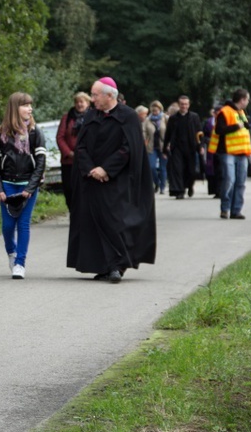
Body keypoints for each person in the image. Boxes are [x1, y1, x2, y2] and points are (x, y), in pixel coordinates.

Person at [66, 77, 156, 283]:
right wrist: (91, 169)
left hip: (118, 181)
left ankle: (117, 266)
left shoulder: (128, 116)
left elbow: (129, 148)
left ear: (109, 95)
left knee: (116, 223)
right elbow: (80, 147)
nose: (92, 99)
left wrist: (106, 169)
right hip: (92, 180)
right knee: (93, 223)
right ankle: (102, 266)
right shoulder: (90, 115)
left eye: (95, 95)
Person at [0, 92, 46, 280]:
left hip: (27, 186)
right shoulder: (1, 132)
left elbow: (40, 163)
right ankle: (11, 253)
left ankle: (20, 263)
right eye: (25, 105)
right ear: (15, 108)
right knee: (7, 227)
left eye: (31, 105)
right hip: (7, 185)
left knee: (23, 224)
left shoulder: (35, 132)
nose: (30, 108)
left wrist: (30, 188)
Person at [208, 88, 251, 219]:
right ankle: (225, 208)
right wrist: (236, 126)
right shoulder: (224, 112)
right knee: (230, 180)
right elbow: (219, 130)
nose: (248, 102)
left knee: (241, 182)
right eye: (247, 99)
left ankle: (236, 210)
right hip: (227, 151)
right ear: (242, 100)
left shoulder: (241, 112)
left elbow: (245, 127)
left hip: (242, 152)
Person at [56, 92, 91, 210]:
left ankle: (85, 213)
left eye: (82, 102)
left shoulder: (93, 116)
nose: (79, 104)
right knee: (69, 188)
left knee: (85, 189)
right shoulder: (67, 118)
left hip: (87, 160)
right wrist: (69, 153)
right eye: (77, 102)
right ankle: (73, 211)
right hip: (69, 161)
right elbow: (60, 137)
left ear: (88, 103)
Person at [164, 96, 201, 199]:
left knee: (191, 171)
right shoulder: (173, 118)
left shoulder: (194, 117)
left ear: (188, 105)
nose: (184, 106)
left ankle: (189, 185)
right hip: (177, 148)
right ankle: (179, 191)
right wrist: (164, 149)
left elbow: (199, 133)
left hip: (191, 147)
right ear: (179, 105)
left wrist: (200, 146)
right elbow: (168, 134)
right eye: (182, 104)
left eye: (186, 104)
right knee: (178, 169)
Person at [147, 101, 168, 194]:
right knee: (151, 167)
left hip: (163, 146)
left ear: (160, 109)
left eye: (156, 110)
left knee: (163, 167)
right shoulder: (148, 120)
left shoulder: (166, 119)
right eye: (153, 110)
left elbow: (170, 131)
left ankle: (163, 186)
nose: (154, 112)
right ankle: (157, 183)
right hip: (151, 147)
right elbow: (143, 132)